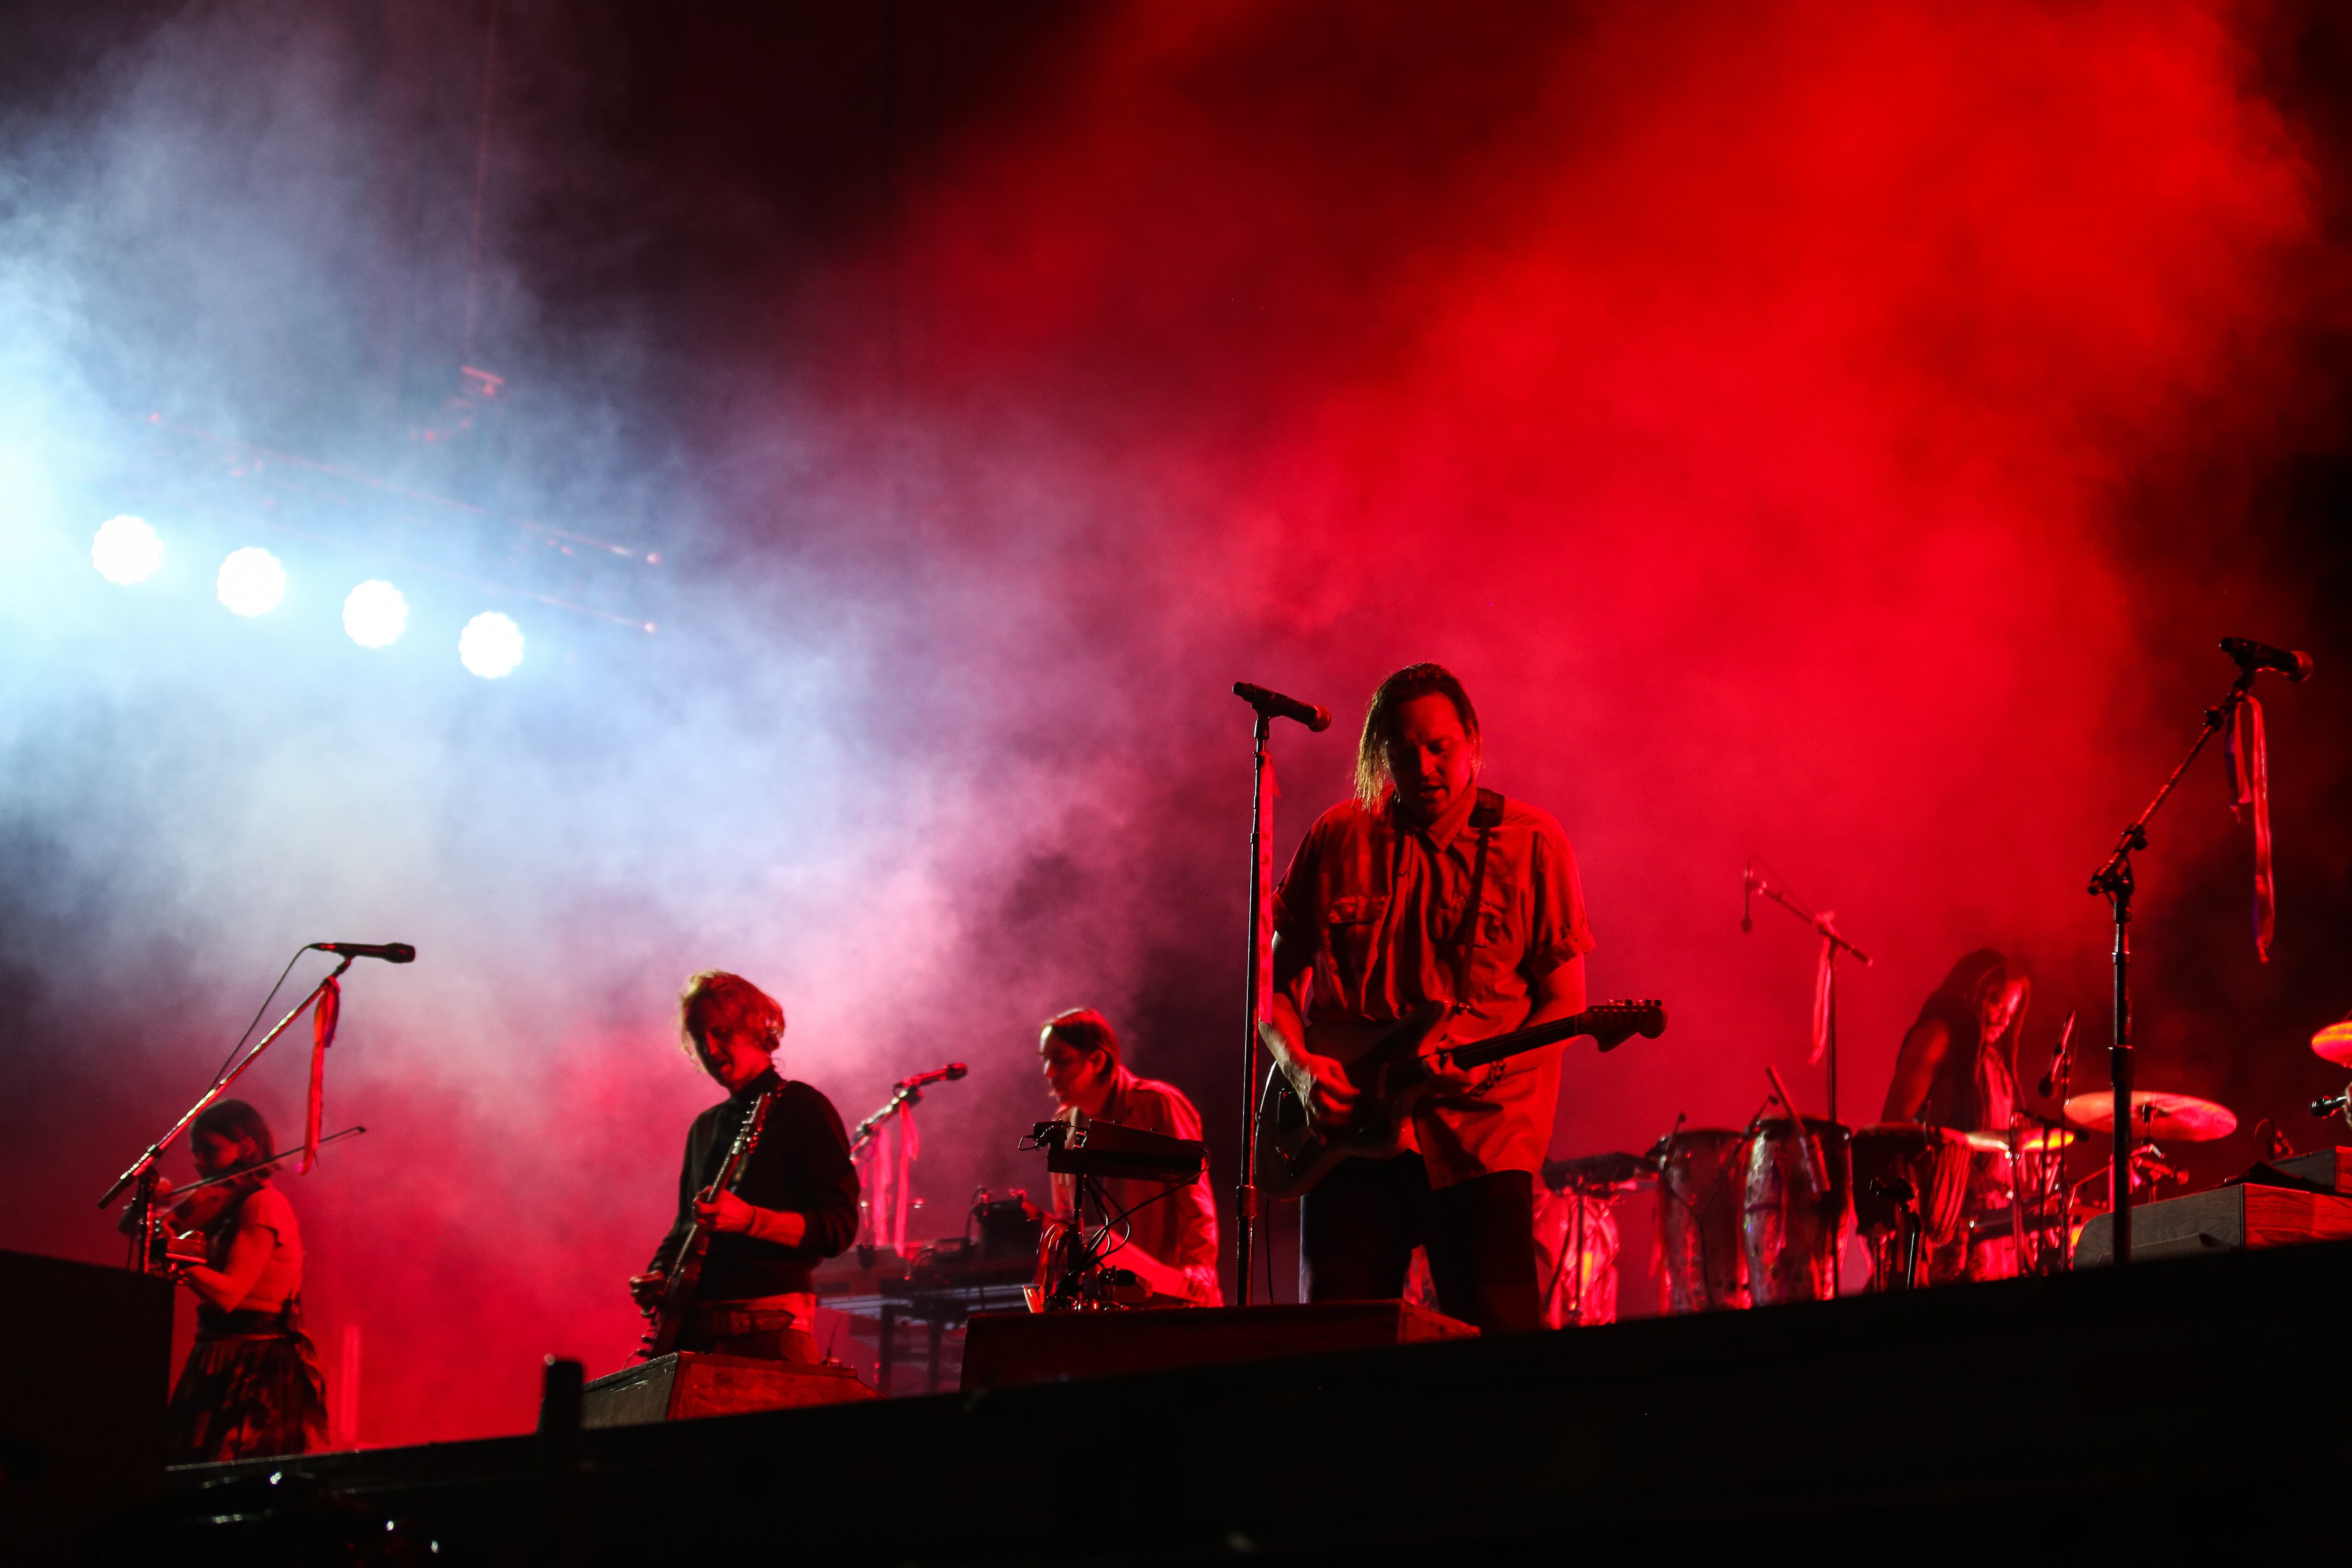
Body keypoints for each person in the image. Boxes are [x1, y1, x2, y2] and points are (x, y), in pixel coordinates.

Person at [1263, 662, 1595, 1334]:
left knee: (1499, 1355)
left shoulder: (1532, 841)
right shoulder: (1337, 836)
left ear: (1473, 741)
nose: (1423, 767)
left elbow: (1564, 1003)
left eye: (1440, 746)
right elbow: (1271, 984)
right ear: (1379, 754)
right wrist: (1300, 1068)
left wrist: (1490, 1068)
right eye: (1402, 750)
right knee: (1334, 1350)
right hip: (1346, 1140)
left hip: (1479, 1142)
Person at [630, 971, 860, 1362]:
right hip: (696, 1342)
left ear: (757, 1029)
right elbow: (684, 1230)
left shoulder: (801, 1108)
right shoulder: (705, 1127)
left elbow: (839, 1227)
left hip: (770, 1333)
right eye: (699, 1038)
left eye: (722, 1033)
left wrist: (751, 1221)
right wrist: (661, 1274)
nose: (710, 1048)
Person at [155, 1100, 329, 1462]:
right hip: (218, 1354)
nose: (199, 1162)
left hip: (252, 1362)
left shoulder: (263, 1205)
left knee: (227, 1466)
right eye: (195, 1152)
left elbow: (230, 1294)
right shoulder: (224, 1204)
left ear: (247, 1147)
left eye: (210, 1149)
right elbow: (132, 1231)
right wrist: (149, 1208)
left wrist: (173, 1257)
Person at [1037, 1007, 1221, 1305]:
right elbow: (1068, 1220)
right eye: (1045, 1059)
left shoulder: (1159, 1105)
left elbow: (1196, 1207)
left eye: (1060, 1060)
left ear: (1098, 1060)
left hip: (1167, 1299)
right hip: (1102, 1304)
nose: (1048, 1072)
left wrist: (1196, 1278)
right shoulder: (1063, 1125)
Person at [1880, 948, 2030, 1281]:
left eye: (2012, 1012)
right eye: (1996, 1003)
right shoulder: (1937, 1038)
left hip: (1984, 1234)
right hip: (1932, 1231)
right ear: (1971, 990)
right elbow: (1893, 1128)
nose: (2005, 1020)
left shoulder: (1994, 1067)